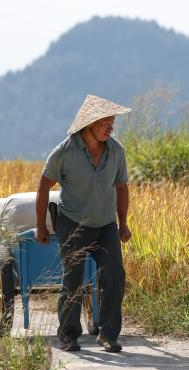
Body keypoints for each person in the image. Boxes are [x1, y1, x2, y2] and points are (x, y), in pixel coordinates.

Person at [35, 94, 132, 352]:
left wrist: (123, 224)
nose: (111, 127)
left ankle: (108, 334)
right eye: (106, 122)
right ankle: (68, 334)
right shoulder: (64, 153)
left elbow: (122, 188)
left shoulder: (117, 151)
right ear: (89, 124)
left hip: (105, 225)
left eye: (113, 122)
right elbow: (44, 187)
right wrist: (41, 226)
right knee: (74, 277)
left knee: (114, 274)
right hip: (73, 222)